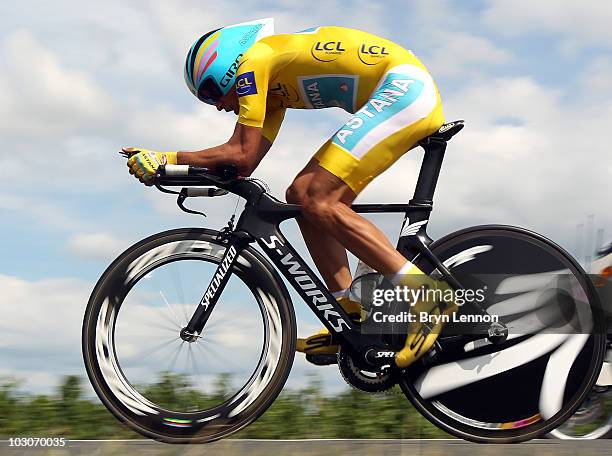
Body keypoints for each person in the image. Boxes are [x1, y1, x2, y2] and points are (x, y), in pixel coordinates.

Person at [124, 18, 454, 368]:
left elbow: (241, 153)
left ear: (227, 68)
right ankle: (350, 313)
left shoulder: (255, 63)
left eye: (210, 93)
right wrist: (175, 170)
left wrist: (166, 158)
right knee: (301, 195)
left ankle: (426, 295)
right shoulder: (274, 89)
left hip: (403, 90)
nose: (217, 106)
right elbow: (243, 165)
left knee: (317, 196)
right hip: (399, 92)